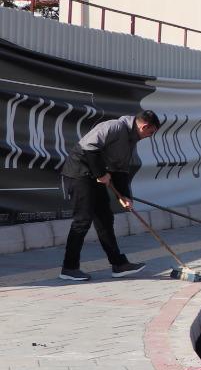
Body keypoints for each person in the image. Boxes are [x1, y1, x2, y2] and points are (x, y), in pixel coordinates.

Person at [57, 110, 161, 282]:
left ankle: (119, 264)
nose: (149, 136)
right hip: (79, 173)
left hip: (95, 176)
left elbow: (120, 171)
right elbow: (89, 147)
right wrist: (100, 173)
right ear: (144, 126)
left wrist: (125, 196)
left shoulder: (131, 140)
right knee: (82, 220)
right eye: (151, 132)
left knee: (105, 218)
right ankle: (69, 268)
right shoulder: (114, 127)